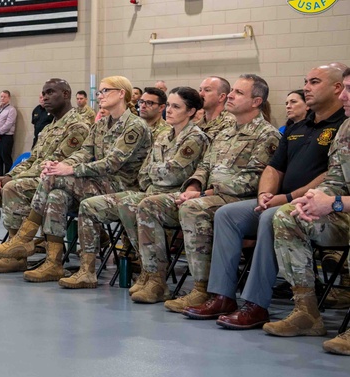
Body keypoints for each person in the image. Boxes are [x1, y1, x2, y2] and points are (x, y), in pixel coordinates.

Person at [185, 64, 347, 326]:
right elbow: (274, 167)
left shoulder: (342, 126)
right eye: (305, 81)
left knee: (272, 215)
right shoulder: (298, 126)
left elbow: (332, 174)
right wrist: (265, 194)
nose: (306, 87)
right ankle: (222, 295)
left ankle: (256, 304)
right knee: (228, 215)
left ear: (337, 88)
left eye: (314, 82)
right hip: (280, 200)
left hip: (318, 205)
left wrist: (286, 198)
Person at [134, 74, 280, 311]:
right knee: (150, 205)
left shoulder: (267, 135)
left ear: (256, 101)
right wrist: (194, 186)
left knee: (193, 208)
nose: (231, 95)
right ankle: (156, 280)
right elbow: (205, 166)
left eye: (238, 93)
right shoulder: (225, 133)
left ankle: (201, 289)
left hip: (240, 201)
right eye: (232, 90)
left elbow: (257, 178)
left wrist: (207, 192)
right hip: (211, 196)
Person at [61, 87, 208, 294]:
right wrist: (156, 174)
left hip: (174, 196)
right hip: (151, 191)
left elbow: (174, 175)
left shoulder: (194, 137)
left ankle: (154, 276)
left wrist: (155, 173)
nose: (171, 111)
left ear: (191, 111)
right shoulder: (163, 137)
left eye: (177, 107)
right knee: (89, 205)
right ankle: (87, 270)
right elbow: (144, 173)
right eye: (171, 106)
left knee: (134, 204)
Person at [21, 76, 153, 283]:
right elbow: (84, 151)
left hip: (122, 186)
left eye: (105, 91)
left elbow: (112, 163)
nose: (99, 96)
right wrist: (60, 166)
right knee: (56, 194)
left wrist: (70, 169)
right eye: (99, 92)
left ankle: (24, 237)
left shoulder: (134, 126)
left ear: (121, 94)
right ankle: (61, 265)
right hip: (99, 182)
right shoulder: (101, 125)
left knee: (52, 180)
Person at [0, 79, 90, 271]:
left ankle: (16, 254)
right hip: (35, 177)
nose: (45, 97)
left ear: (65, 95)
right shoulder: (48, 128)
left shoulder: (78, 126)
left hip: (55, 181)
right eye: (43, 93)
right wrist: (10, 174)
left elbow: (54, 163)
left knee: (14, 187)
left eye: (50, 92)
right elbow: (31, 160)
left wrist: (13, 179)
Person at [273, 67, 350, 353]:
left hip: (344, 208)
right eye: (344, 88)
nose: (344, 96)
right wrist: (313, 199)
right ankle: (306, 312)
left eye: (349, 89)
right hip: (343, 213)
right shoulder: (346, 128)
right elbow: (336, 179)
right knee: (289, 215)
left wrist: (335, 203)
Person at [197, 76, 235, 142]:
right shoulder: (198, 125)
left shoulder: (231, 124)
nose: (201, 94)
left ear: (221, 97)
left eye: (207, 90)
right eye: (200, 90)